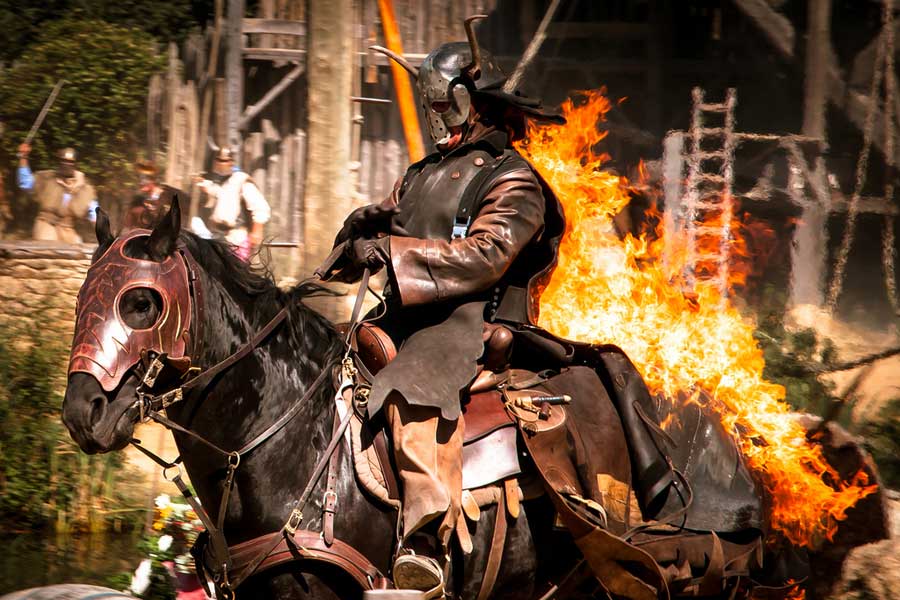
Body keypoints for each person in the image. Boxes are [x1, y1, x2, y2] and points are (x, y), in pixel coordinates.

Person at [319, 19, 677, 598]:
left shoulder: (515, 180)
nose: (435, 119)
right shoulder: (421, 173)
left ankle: (424, 542)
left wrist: (395, 251)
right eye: (429, 106)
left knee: (414, 389)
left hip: (469, 326)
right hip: (402, 316)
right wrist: (360, 232)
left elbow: (485, 255)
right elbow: (393, 224)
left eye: (443, 105)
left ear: (472, 103)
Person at [194, 147, 270, 260]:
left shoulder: (242, 180)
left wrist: (256, 231)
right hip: (218, 236)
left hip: (236, 236)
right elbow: (215, 190)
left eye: (224, 161)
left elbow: (260, 207)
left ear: (231, 162)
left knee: (236, 271)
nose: (221, 163)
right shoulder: (220, 181)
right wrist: (202, 183)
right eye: (219, 160)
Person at [17, 143, 98, 243]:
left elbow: (94, 212)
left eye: (70, 162)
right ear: (59, 162)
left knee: (78, 248)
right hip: (46, 224)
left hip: (67, 228)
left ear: (75, 164)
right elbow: (25, 183)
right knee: (47, 245)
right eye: (63, 161)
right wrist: (23, 157)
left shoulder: (84, 187)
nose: (66, 164)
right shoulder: (46, 178)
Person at [122, 160, 181, 231]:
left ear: (152, 180)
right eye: (140, 179)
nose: (141, 182)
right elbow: (128, 223)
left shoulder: (165, 195)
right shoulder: (140, 199)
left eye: (144, 179)